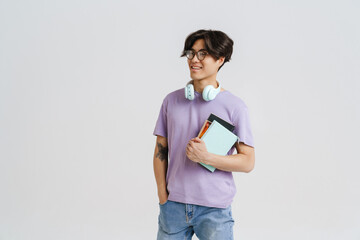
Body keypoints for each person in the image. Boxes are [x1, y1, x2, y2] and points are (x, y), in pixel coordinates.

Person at [152, 29, 255, 240]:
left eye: (203, 54)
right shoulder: (171, 101)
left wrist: (207, 158)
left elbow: (248, 162)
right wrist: (163, 196)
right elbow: (160, 150)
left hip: (214, 210)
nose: (194, 60)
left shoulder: (235, 107)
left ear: (220, 59)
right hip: (173, 206)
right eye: (191, 53)